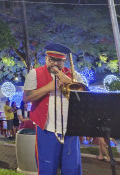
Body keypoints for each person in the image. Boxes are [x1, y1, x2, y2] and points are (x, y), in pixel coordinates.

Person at [24, 43, 84, 175]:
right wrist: (49, 87)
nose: (55, 64)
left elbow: (84, 97)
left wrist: (69, 82)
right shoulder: (34, 73)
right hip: (46, 129)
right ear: (45, 58)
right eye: (51, 59)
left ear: (65, 61)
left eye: (59, 61)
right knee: (47, 168)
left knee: (72, 169)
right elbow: (26, 98)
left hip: (71, 130)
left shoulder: (74, 75)